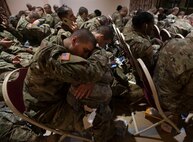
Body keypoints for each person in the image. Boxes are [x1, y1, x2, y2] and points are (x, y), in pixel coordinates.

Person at [24, 29, 111, 141]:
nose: (85, 56)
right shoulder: (51, 56)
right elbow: (91, 72)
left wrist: (90, 80)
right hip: (47, 110)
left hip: (58, 95)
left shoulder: (64, 41)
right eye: (85, 51)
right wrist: (89, 77)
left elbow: (92, 72)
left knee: (102, 91)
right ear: (74, 40)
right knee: (100, 117)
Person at [153, 32, 193, 141]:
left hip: (155, 88)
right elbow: (190, 92)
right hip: (169, 100)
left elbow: (155, 58)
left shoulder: (172, 41)